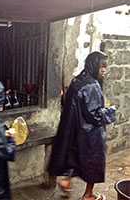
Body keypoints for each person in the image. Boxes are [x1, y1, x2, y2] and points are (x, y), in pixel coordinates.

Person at [47, 51, 116, 200]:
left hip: (75, 127)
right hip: (90, 132)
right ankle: (88, 195)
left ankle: (66, 181)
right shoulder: (92, 85)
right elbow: (95, 115)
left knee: (74, 154)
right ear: (93, 65)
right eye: (101, 66)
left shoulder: (77, 80)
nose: (104, 70)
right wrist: (110, 111)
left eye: (105, 67)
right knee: (94, 161)